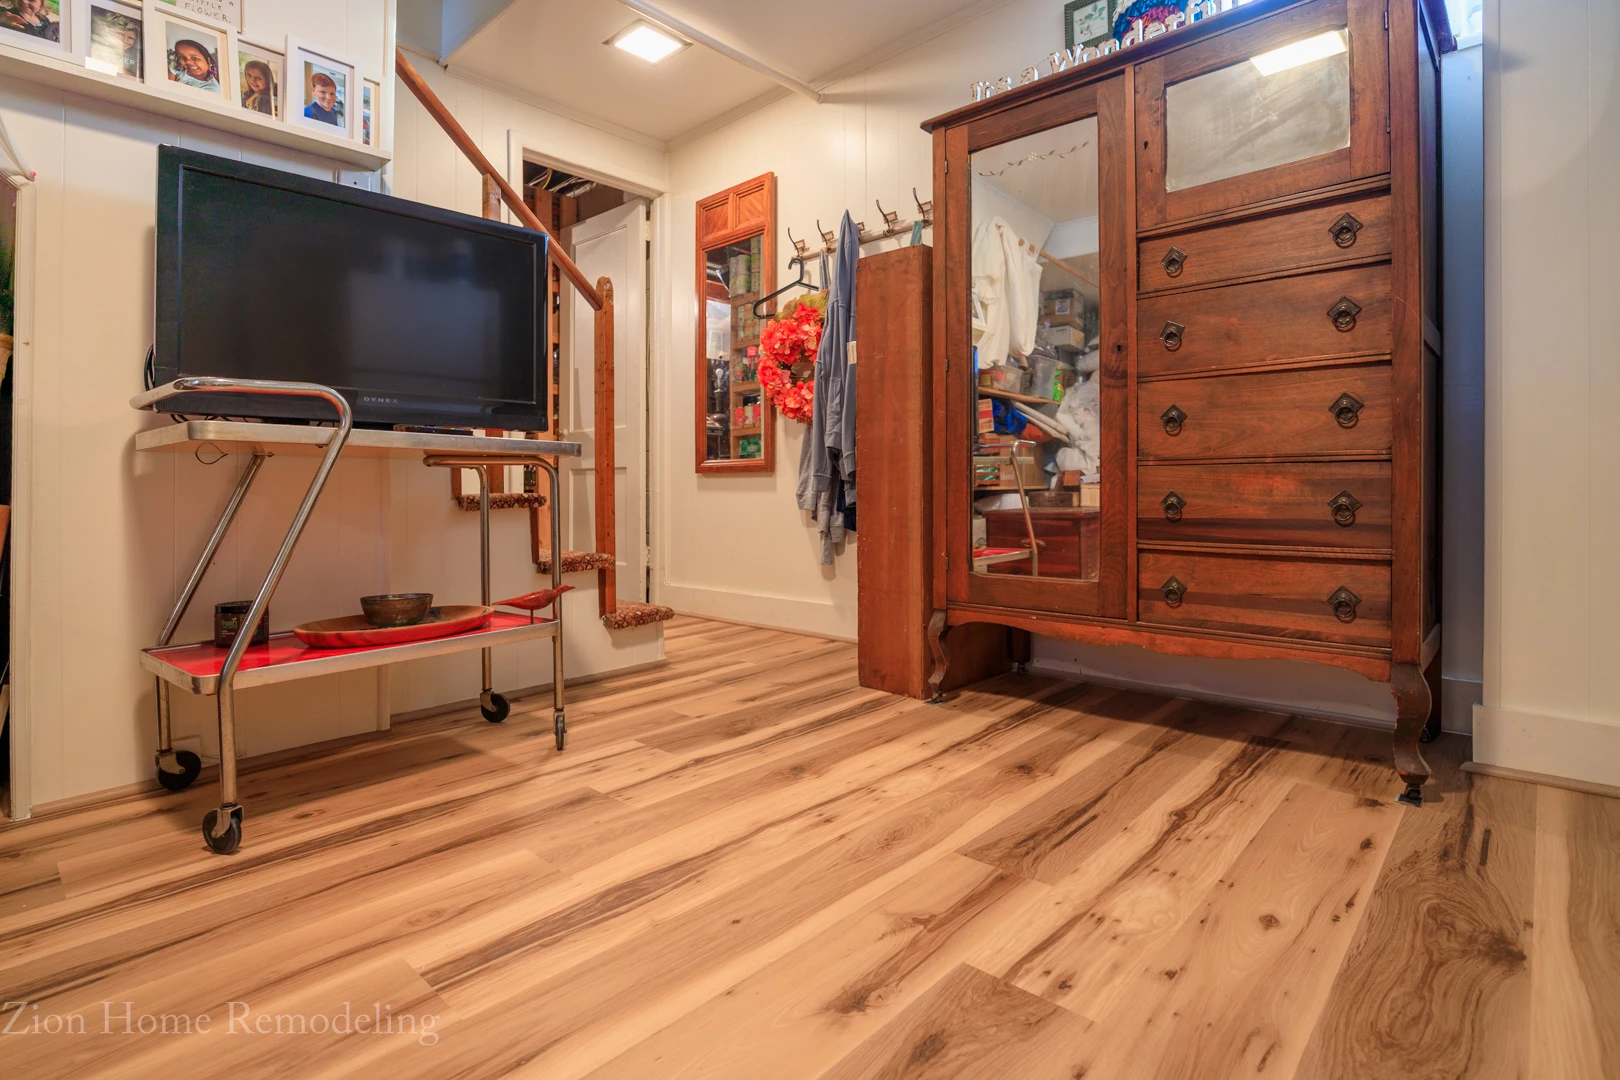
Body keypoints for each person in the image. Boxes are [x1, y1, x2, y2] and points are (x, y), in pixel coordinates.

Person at [89, 10, 140, 77]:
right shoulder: (96, 48)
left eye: (130, 38)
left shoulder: (133, 57)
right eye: (120, 34)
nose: (125, 41)